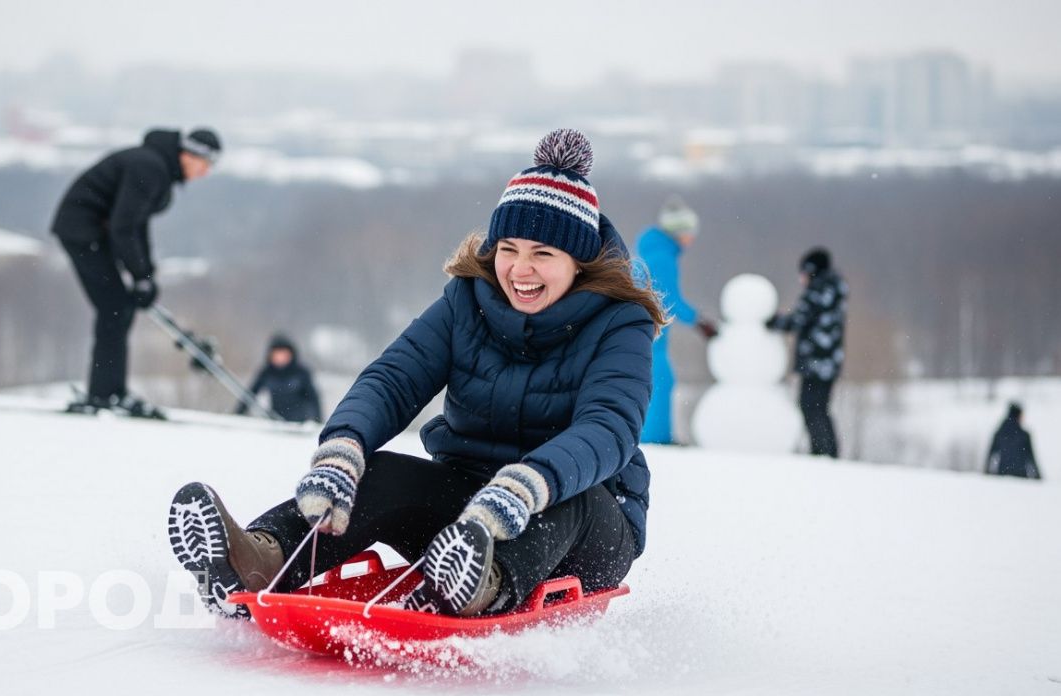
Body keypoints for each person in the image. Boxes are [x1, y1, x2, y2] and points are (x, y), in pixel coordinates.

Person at [168, 129, 666, 619]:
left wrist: (527, 485)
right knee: (378, 474)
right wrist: (344, 449)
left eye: (543, 254)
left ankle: (479, 586)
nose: (519, 269)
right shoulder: (467, 301)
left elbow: (609, 428)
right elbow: (394, 378)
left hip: (587, 523)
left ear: (578, 262)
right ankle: (258, 559)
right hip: (466, 518)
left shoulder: (620, 322)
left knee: (564, 503)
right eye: (509, 248)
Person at [52, 127, 222, 419]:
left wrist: (145, 274)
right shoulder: (151, 167)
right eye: (205, 165)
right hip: (82, 231)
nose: (205, 173)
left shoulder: (155, 166)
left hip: (92, 231)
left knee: (118, 309)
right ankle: (105, 394)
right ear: (189, 154)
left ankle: (109, 391)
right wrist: (141, 275)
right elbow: (124, 226)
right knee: (114, 308)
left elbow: (135, 224)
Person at [633, 196, 718, 445]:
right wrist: (699, 321)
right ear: (678, 232)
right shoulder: (662, 257)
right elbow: (668, 299)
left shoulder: (652, 251)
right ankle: (655, 438)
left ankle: (654, 435)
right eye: (689, 232)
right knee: (659, 380)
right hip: (650, 330)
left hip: (643, 327)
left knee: (656, 379)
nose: (692, 238)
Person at [766, 247, 847, 458]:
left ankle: (822, 453)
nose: (800, 278)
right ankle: (828, 452)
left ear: (811, 271)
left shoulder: (818, 290)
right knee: (820, 408)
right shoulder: (834, 290)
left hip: (816, 362)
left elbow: (799, 320)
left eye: (802, 273)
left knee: (811, 407)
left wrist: (773, 322)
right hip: (829, 361)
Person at [235, 334, 323, 423]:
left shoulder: (301, 373)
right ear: (271, 355)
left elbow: (313, 399)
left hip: (299, 425)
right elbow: (250, 395)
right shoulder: (266, 372)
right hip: (276, 422)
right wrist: (237, 415)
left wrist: (318, 421)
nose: (280, 358)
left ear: (291, 354)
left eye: (283, 354)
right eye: (277, 354)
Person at [986, 402, 1041, 479]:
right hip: (1020, 476)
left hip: (1003, 474)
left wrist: (986, 473)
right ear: (1018, 415)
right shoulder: (1024, 435)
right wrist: (1038, 476)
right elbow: (1031, 458)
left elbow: (991, 455)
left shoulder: (1000, 433)